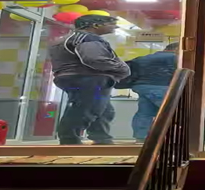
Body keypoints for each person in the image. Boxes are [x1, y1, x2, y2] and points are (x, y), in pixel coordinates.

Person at [48, 15, 130, 145]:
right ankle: (69, 140)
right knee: (87, 109)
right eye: (111, 23)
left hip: (71, 77)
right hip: (89, 77)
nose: (116, 26)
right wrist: (122, 69)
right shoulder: (88, 39)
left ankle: (102, 139)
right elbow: (95, 59)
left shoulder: (64, 39)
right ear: (95, 25)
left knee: (102, 110)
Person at [123, 42, 178, 143]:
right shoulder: (174, 58)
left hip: (142, 87)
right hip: (161, 87)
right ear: (176, 49)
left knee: (145, 113)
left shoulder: (144, 58)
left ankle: (141, 137)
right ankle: (175, 139)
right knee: (173, 112)